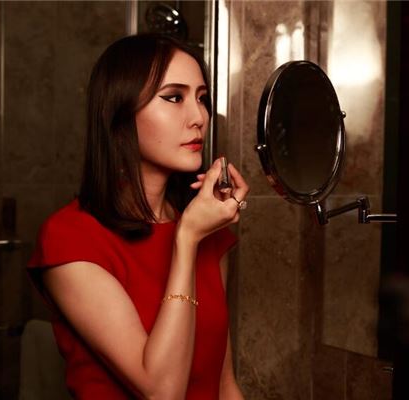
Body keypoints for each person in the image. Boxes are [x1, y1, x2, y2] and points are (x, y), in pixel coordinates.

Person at [27, 33, 249, 400]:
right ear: (120, 113)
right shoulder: (70, 238)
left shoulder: (207, 231)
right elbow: (162, 392)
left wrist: (192, 232)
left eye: (202, 98)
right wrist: (186, 240)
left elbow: (223, 385)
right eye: (174, 97)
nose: (199, 117)